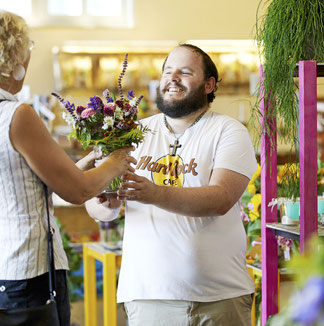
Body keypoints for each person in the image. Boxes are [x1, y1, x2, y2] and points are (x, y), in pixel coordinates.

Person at [86, 44, 257, 326]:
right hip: (148, 298)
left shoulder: (228, 131)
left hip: (218, 299)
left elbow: (221, 199)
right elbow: (103, 209)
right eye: (168, 71)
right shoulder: (132, 133)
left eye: (185, 72)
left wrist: (152, 193)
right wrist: (104, 202)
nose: (172, 77)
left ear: (209, 84)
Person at [0, 10, 136, 326]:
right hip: (28, 271)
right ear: (16, 60)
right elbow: (78, 190)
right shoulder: (17, 115)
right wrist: (117, 161)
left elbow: (22, 182)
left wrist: (85, 164)